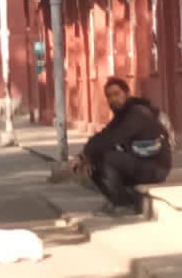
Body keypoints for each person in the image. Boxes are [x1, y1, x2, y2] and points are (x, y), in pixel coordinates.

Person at [67, 78, 172, 214]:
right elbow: (103, 136)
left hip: (155, 167)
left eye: (117, 94)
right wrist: (85, 156)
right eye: (109, 96)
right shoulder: (121, 115)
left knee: (108, 158)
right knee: (96, 160)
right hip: (140, 163)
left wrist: (84, 156)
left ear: (127, 94)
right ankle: (116, 200)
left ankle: (124, 205)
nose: (113, 99)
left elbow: (114, 139)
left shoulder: (137, 113)